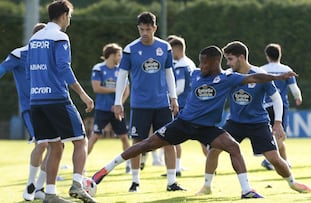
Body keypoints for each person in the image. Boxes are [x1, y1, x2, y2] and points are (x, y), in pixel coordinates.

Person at [92, 45, 298, 197]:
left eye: (204, 62)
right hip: (183, 124)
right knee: (146, 144)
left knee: (233, 147)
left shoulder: (227, 78)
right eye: (200, 62)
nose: (200, 65)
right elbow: (169, 76)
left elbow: (256, 78)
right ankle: (103, 171)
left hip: (207, 128)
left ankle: (246, 190)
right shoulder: (196, 74)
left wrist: (278, 78)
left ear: (215, 63)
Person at [195, 41, 311, 197]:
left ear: (241, 57)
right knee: (213, 150)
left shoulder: (259, 74)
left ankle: (292, 183)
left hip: (258, 123)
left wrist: (277, 123)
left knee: (274, 159)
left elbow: (276, 99)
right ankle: (207, 186)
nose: (227, 63)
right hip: (235, 122)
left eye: (230, 59)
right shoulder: (229, 76)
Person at [92, 11, 182, 192]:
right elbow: (122, 76)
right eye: (141, 29)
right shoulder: (130, 49)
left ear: (154, 28)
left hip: (162, 104)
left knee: (168, 141)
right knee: (138, 143)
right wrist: (118, 101)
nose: (144, 33)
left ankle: (172, 182)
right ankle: (135, 181)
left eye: (148, 29)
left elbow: (168, 73)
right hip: (140, 104)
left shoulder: (165, 47)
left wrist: (173, 97)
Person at [27, 1, 97, 202]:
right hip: (57, 99)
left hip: (36, 101)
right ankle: (77, 184)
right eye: (70, 16)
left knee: (55, 146)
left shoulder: (34, 39)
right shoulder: (60, 37)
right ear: (65, 15)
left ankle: (49, 194)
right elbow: (64, 68)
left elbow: (30, 70)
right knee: (81, 140)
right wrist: (83, 94)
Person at [0, 23, 48, 201]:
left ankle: (40, 188)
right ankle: (30, 186)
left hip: (51, 105)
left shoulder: (50, 54)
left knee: (56, 146)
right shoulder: (19, 54)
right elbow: (3, 68)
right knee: (42, 143)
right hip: (31, 108)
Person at [87, 43, 131, 173]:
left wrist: (119, 103)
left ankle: (129, 164)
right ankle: (81, 165)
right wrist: (116, 89)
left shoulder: (121, 70)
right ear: (111, 55)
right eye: (119, 55)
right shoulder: (99, 69)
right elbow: (96, 88)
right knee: (94, 137)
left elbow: (126, 91)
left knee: (124, 137)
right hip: (102, 109)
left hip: (117, 111)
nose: (121, 57)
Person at [260, 43, 303, 170]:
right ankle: (273, 161)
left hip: (265, 105)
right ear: (280, 55)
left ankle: (284, 161)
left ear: (267, 56)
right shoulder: (286, 69)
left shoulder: (262, 69)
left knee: (272, 134)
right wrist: (298, 97)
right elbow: (294, 89)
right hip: (281, 106)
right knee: (279, 134)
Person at [167, 35, 196, 176]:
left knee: (173, 135)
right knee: (202, 137)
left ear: (177, 50)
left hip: (182, 105)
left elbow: (179, 88)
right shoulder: (190, 63)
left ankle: (176, 168)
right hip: (193, 104)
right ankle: (212, 166)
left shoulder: (180, 66)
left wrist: (168, 97)